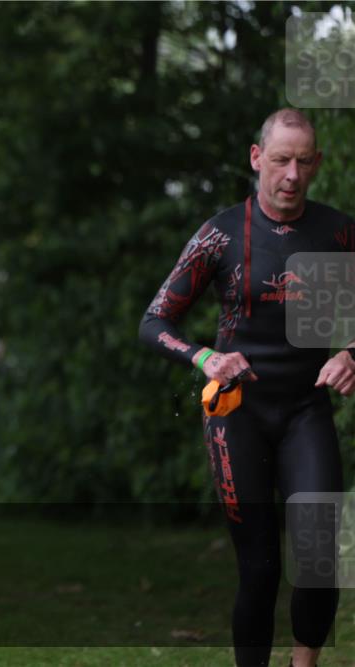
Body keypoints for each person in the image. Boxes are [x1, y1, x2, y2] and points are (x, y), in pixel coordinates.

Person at [139, 108, 355, 667]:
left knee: (319, 554)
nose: (291, 174)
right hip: (237, 414)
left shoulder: (337, 232)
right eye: (280, 159)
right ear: (257, 158)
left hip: (306, 409)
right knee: (259, 567)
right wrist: (203, 356)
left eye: (303, 162)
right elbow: (154, 321)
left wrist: (353, 353)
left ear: (317, 165)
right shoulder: (221, 234)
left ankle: (303, 661)